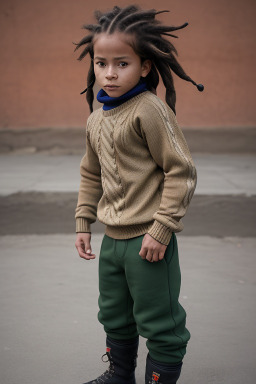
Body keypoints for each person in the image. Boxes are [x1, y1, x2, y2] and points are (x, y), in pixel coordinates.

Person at [74, 5, 203, 384]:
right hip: (112, 240)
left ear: (145, 66)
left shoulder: (149, 110)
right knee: (114, 313)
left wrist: (162, 228)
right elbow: (90, 173)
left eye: (122, 63)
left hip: (149, 240)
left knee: (160, 320)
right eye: (101, 63)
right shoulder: (95, 119)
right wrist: (84, 221)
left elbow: (182, 170)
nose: (109, 73)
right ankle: (119, 375)